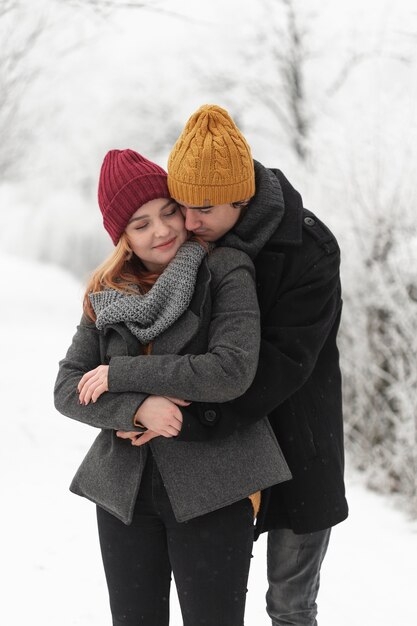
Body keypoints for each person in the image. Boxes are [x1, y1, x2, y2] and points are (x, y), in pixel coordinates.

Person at [126, 105, 349, 626]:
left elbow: (284, 363)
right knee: (212, 605)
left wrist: (188, 419)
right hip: (217, 457)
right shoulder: (190, 244)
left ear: (242, 196)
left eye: (204, 207)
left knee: (290, 606)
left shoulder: (309, 250)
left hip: (294, 444)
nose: (190, 220)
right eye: (182, 204)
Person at [54, 148, 291, 626]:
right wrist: (138, 410)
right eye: (141, 225)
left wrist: (124, 375)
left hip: (214, 486)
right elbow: (67, 387)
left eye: (167, 212)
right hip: (125, 492)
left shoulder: (224, 269)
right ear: (122, 236)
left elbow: (231, 369)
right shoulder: (108, 291)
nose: (161, 230)